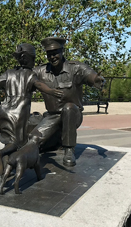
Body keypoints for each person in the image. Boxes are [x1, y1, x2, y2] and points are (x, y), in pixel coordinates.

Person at [0, 43, 62, 175]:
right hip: (19, 112)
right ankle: (1, 154)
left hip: (5, 110)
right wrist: (52, 91)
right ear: (26, 58)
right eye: (33, 58)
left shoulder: (8, 73)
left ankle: (7, 162)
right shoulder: (30, 75)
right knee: (17, 142)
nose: (34, 61)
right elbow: (40, 85)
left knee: (8, 138)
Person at [30, 37, 105, 167]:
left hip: (72, 115)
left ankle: (69, 150)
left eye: (55, 53)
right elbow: (25, 77)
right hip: (52, 117)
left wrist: (97, 80)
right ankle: (54, 141)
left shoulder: (76, 68)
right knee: (32, 141)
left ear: (62, 51)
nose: (52, 57)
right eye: (49, 54)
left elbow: (90, 75)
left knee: (69, 108)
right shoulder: (40, 71)